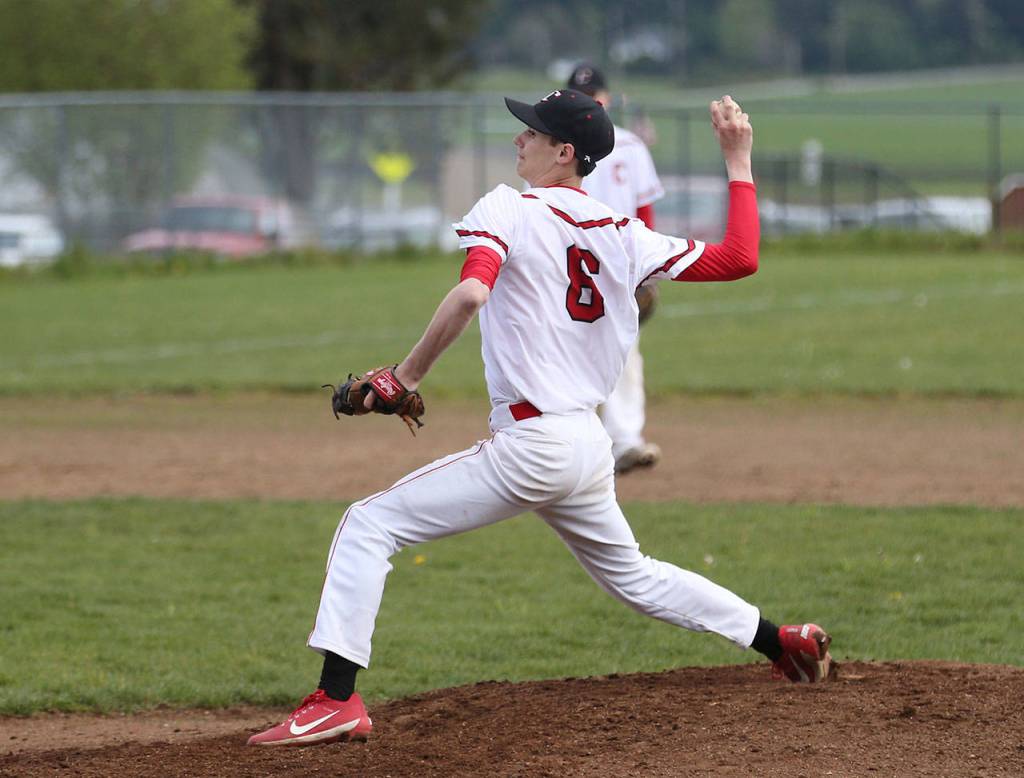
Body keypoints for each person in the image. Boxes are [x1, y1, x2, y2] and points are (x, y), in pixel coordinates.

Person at [247, 89, 833, 747]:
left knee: (368, 524)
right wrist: (738, 160)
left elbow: (472, 292)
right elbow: (742, 257)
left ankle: (335, 700)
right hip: (585, 442)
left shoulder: (510, 209)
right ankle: (780, 641)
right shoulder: (624, 234)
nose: (519, 138)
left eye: (533, 131)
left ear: (565, 152)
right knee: (636, 576)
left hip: (534, 442)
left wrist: (403, 377)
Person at [567, 62, 664, 475]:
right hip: (570, 266)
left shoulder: (630, 147)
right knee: (566, 354)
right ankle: (571, 443)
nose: (590, 105)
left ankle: (624, 441)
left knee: (624, 353)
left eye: (594, 98)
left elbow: (645, 211)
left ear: (606, 101)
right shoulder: (555, 147)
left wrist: (650, 266)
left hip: (621, 266)